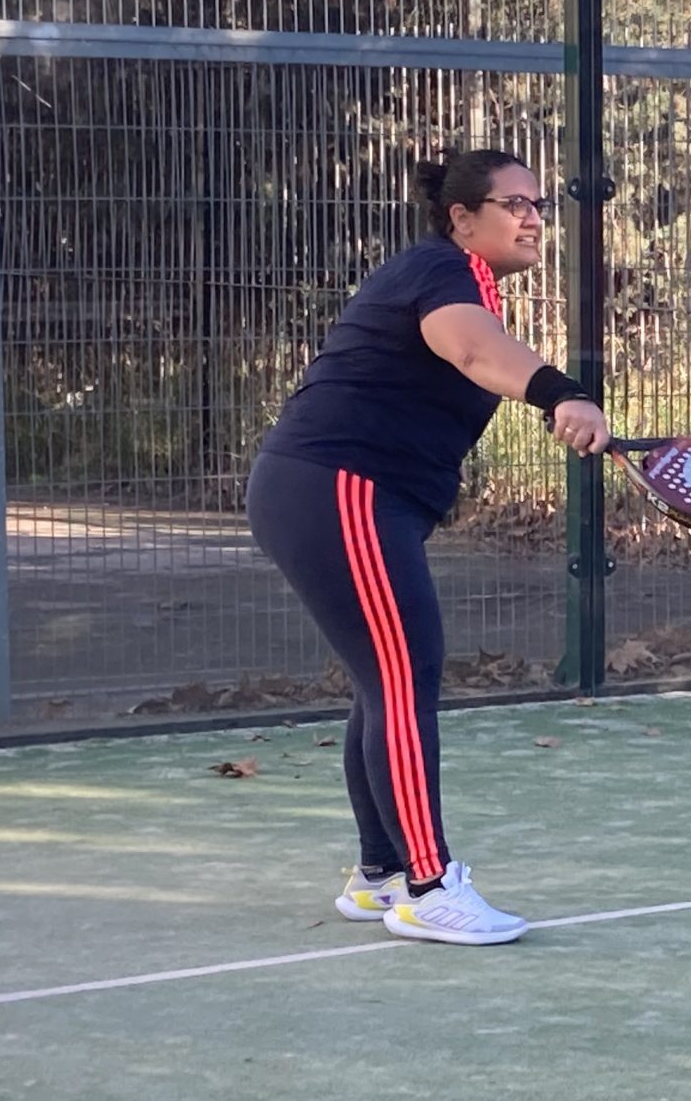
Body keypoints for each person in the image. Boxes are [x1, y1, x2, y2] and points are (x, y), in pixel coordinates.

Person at [246, 150, 609, 943]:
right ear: (462, 218)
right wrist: (563, 392)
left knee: (384, 682)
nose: (533, 218)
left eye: (538, 204)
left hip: (339, 492)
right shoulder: (441, 271)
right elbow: (474, 352)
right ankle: (429, 886)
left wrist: (554, 403)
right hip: (341, 488)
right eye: (514, 203)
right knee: (404, 678)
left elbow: (475, 361)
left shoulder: (458, 279)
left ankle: (380, 874)